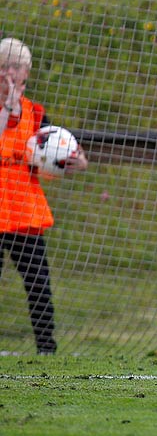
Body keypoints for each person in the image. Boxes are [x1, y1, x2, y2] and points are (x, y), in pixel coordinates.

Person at [0, 38, 86, 356]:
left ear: (26, 73)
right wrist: (8, 106)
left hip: (23, 212)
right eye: (4, 66)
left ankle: (46, 350)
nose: (10, 72)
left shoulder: (36, 113)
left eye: (16, 66)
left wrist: (73, 162)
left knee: (38, 282)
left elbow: (47, 159)